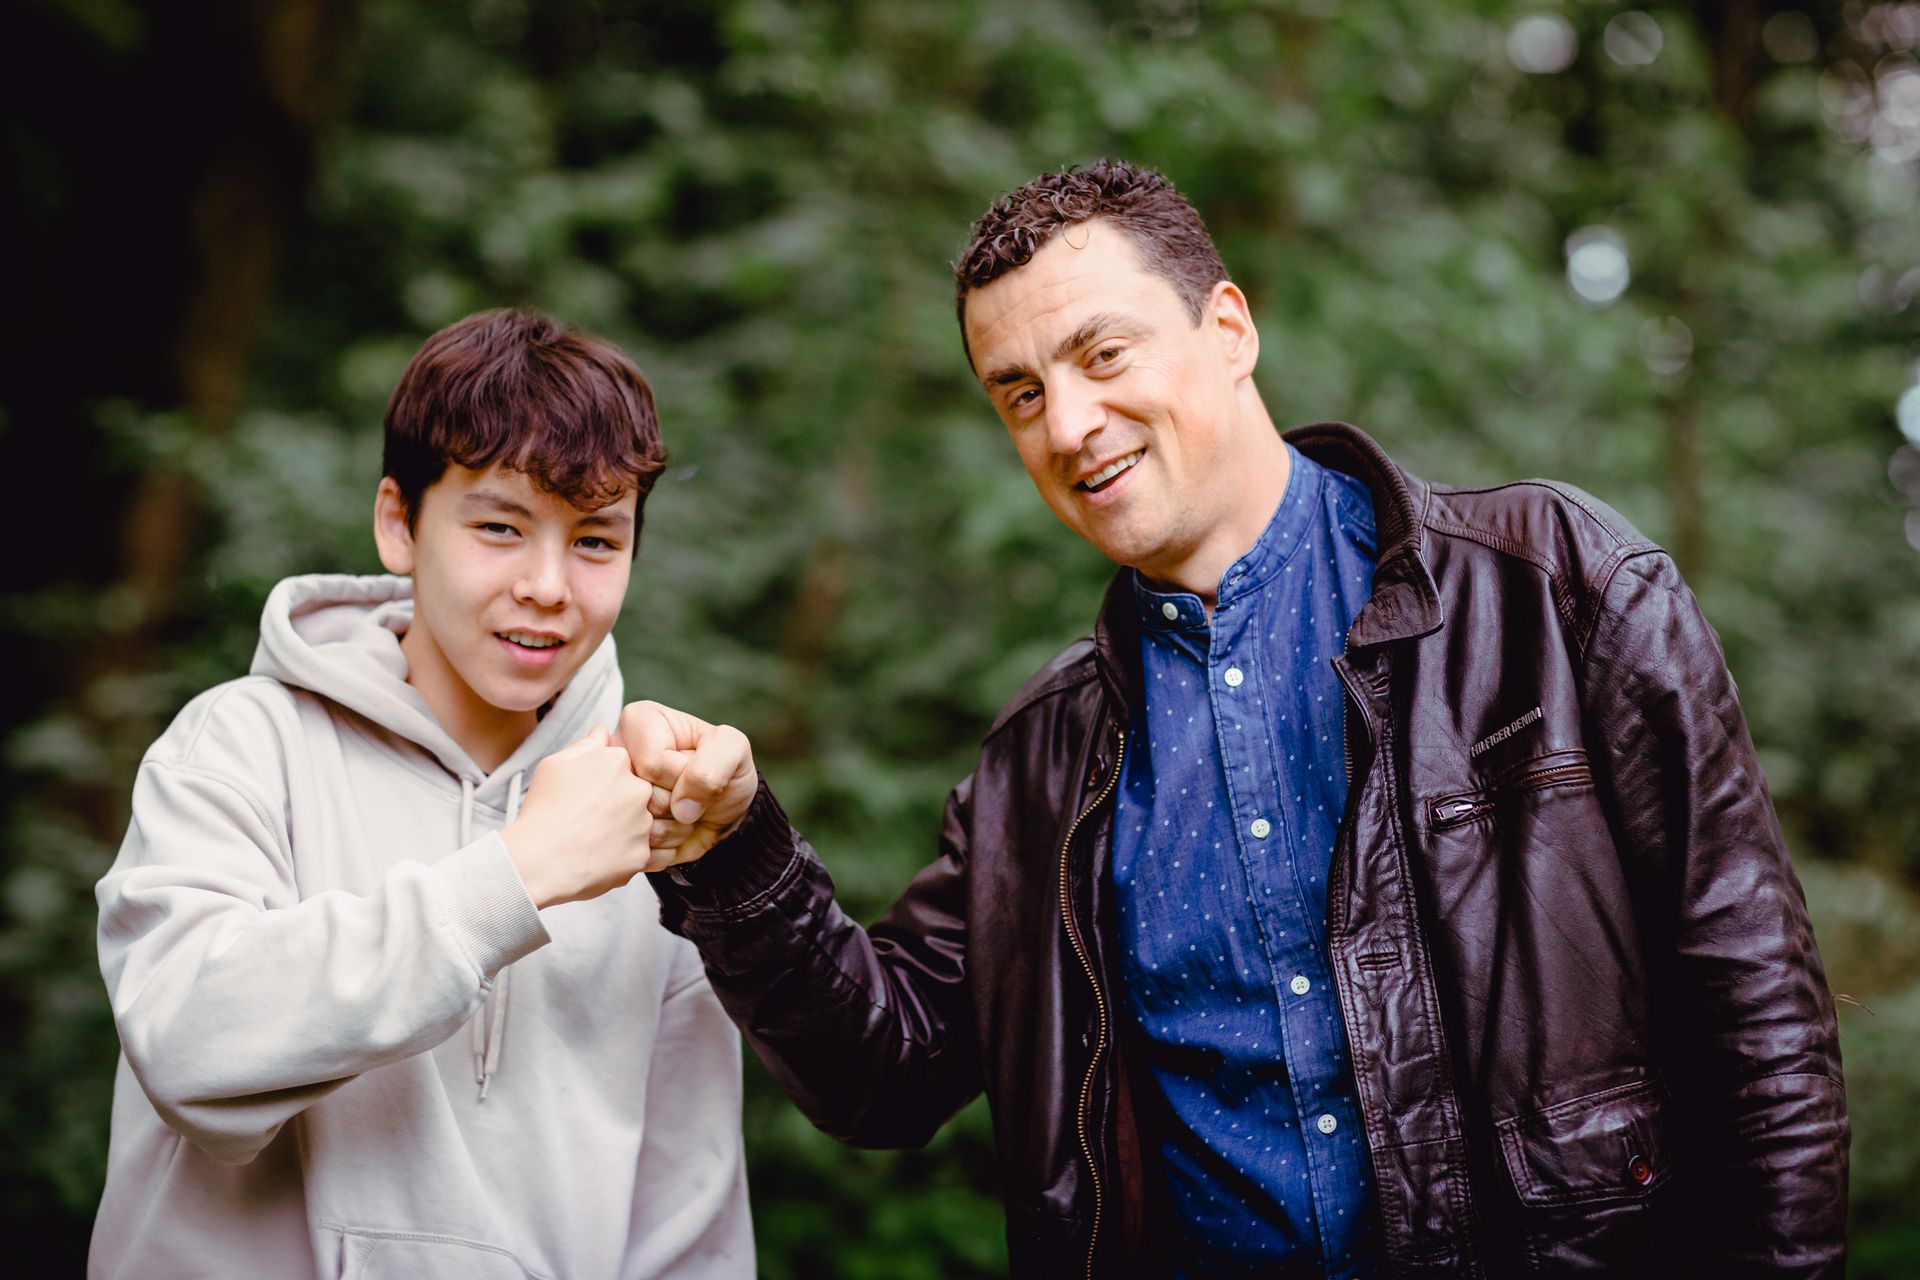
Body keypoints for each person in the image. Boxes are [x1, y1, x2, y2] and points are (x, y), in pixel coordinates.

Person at [622, 162, 1850, 1278]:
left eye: (1102, 355)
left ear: (1229, 328)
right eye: (1019, 392)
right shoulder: (1042, 759)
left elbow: (1761, 1030)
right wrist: (737, 848)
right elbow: (879, 1075)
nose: (1066, 425)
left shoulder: (1556, 590)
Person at [90, 309, 753, 1279]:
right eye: (499, 526)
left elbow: (689, 1230)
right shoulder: (238, 742)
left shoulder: (652, 815)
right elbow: (186, 1045)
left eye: (596, 541)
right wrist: (516, 875)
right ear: (399, 524)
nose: (547, 585)